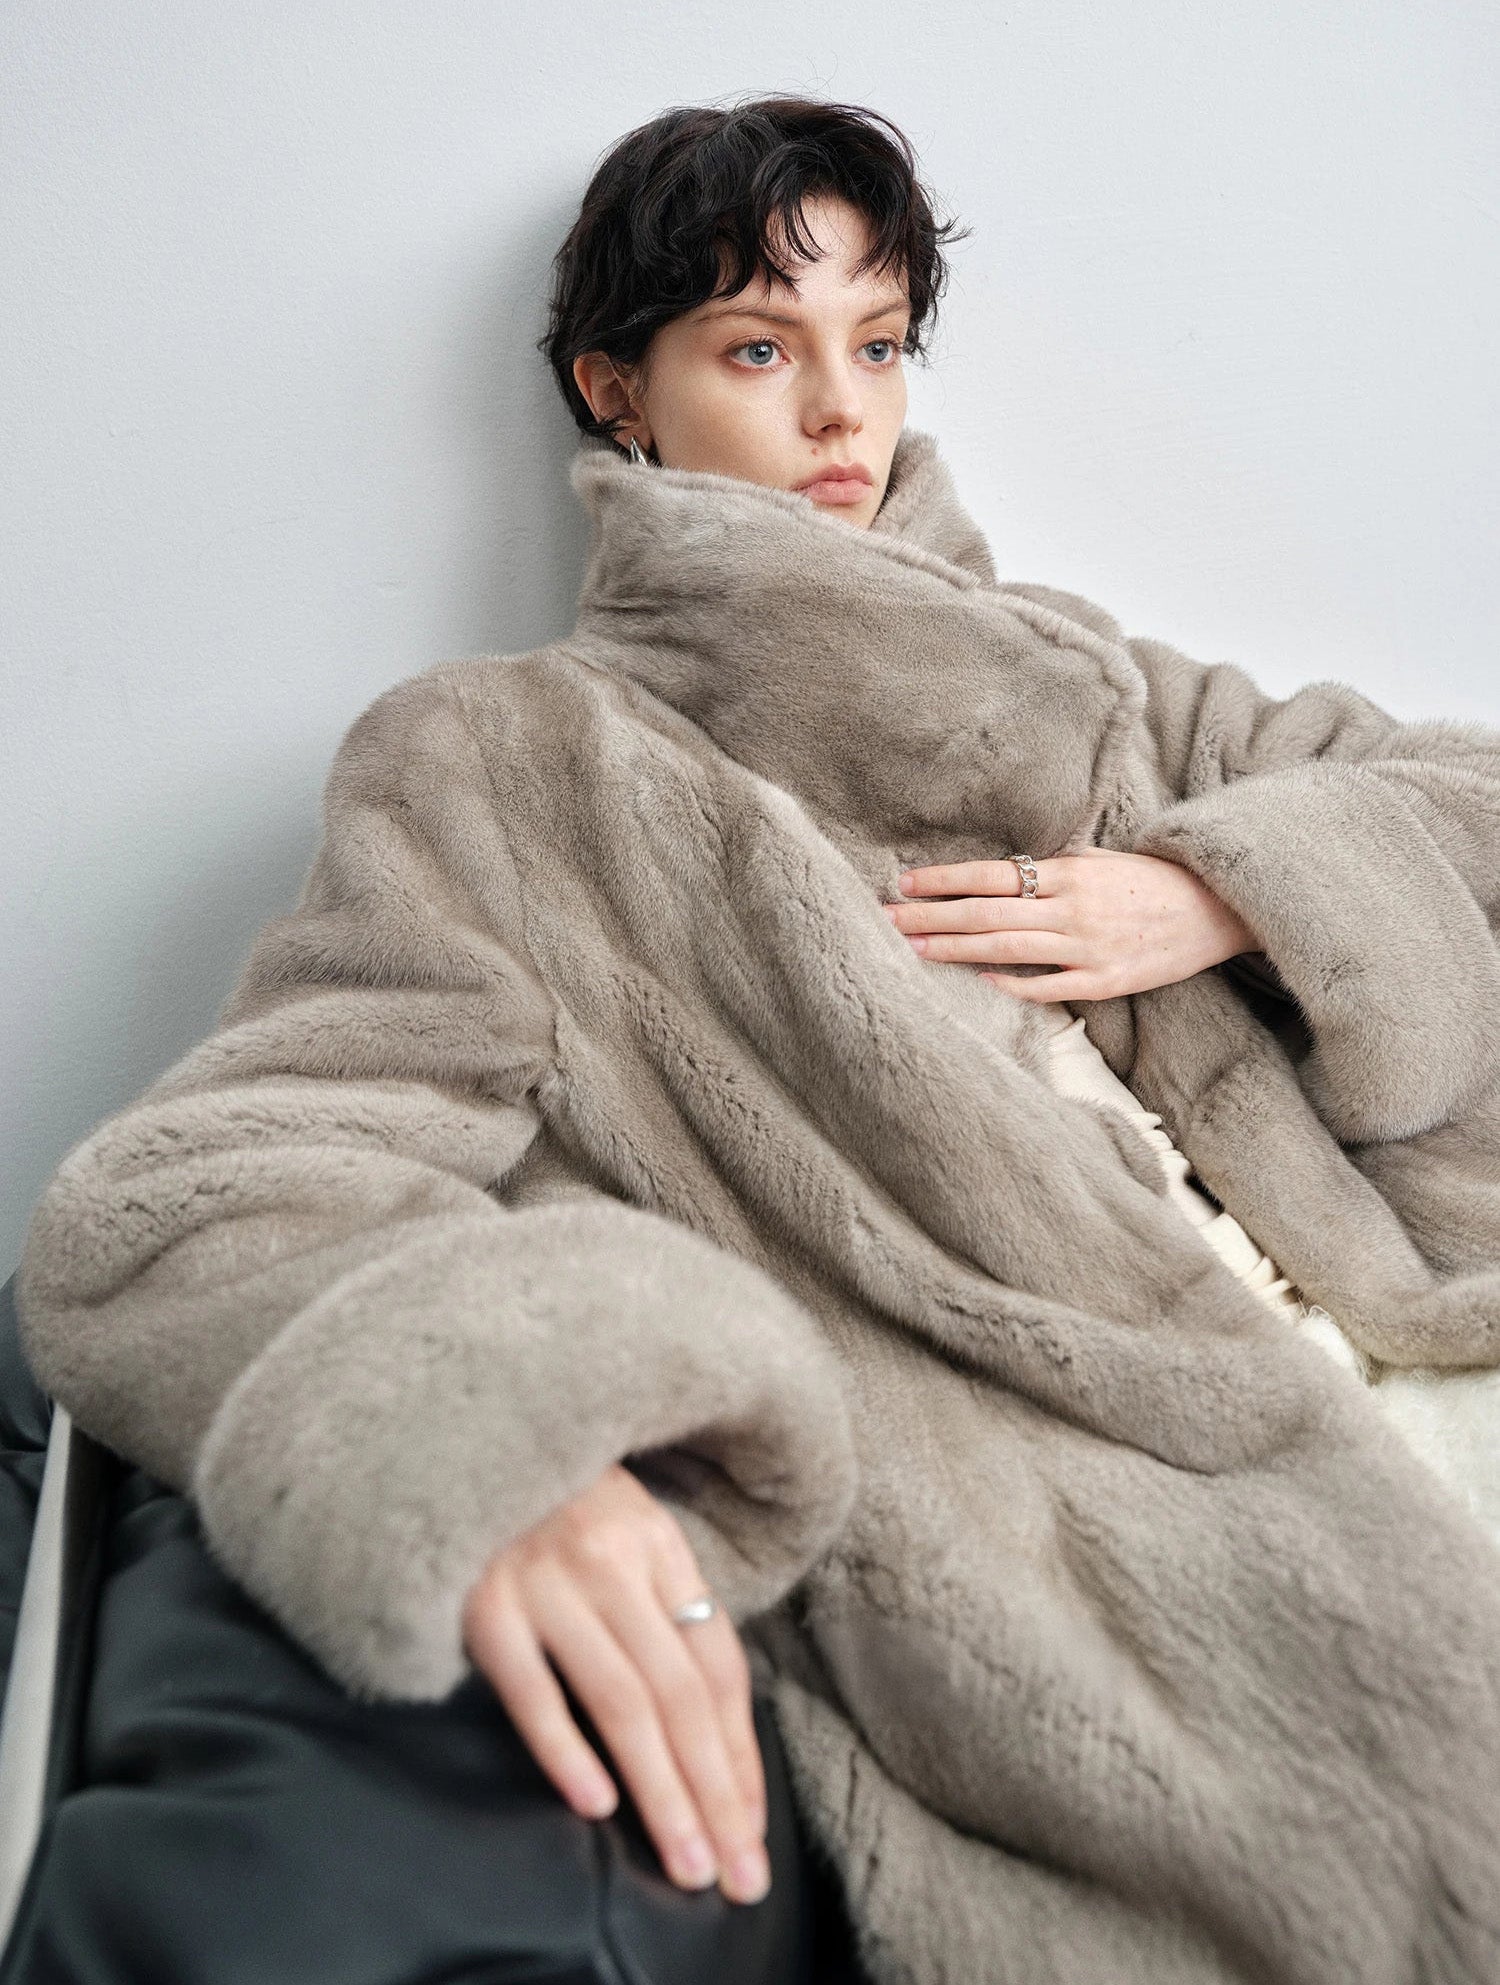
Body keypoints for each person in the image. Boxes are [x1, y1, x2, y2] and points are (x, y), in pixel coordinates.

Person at [18, 94, 1500, 1982]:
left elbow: (1472, 794)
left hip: (1409, 1315)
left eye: (876, 345)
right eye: (757, 345)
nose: (839, 414)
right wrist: (489, 1446)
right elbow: (216, 1184)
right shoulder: (510, 763)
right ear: (613, 387)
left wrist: (1218, 888)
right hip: (1104, 1503)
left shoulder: (1086, 679)